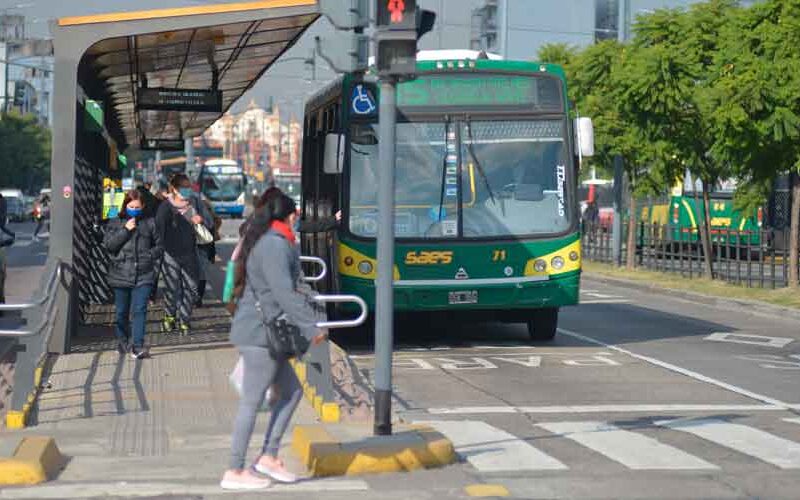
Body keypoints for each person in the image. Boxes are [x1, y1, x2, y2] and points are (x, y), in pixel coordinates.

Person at [221, 193, 327, 491]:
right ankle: (235, 468)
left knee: (292, 391)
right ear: (286, 215)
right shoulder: (274, 245)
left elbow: (294, 286)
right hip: (259, 333)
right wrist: (310, 327)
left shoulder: (279, 242)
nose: (297, 218)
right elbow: (283, 292)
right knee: (252, 402)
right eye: (295, 214)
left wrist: (311, 312)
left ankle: (268, 455)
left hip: (269, 332)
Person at [104, 190, 163, 359]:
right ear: (125, 206)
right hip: (120, 272)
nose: (134, 210)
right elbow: (109, 245)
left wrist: (149, 256)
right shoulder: (115, 221)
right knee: (121, 312)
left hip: (143, 273)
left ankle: (137, 346)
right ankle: (123, 341)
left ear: (143, 206)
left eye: (137, 207)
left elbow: (159, 246)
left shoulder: (150, 223)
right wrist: (125, 230)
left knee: (140, 310)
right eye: (131, 207)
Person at [155, 174, 204, 335]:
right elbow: (158, 230)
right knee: (172, 288)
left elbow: (211, 223)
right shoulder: (165, 207)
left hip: (190, 252)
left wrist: (200, 221)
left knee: (192, 288)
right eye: (183, 186)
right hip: (170, 254)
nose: (187, 189)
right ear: (174, 189)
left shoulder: (194, 203)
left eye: (188, 186)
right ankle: (169, 317)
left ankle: (184, 319)